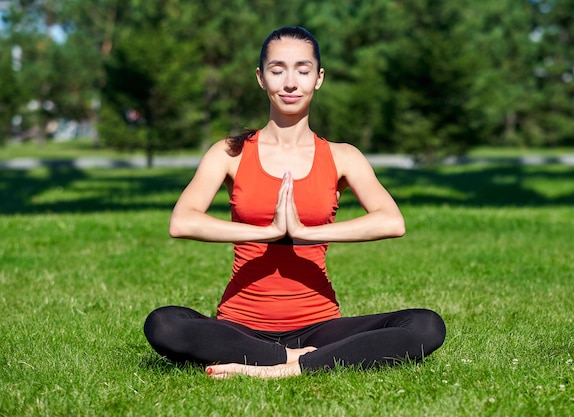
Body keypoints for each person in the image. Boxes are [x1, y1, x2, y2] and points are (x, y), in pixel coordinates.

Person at [143, 26, 445, 379]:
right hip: (241, 324)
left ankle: (284, 367)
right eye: (277, 70)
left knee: (426, 325)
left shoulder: (342, 156)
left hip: (319, 325)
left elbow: (391, 221)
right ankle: (291, 358)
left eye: (302, 70)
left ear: (318, 78)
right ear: (261, 78)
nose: (290, 83)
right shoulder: (231, 153)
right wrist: (269, 232)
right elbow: (183, 221)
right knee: (163, 323)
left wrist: (305, 231)